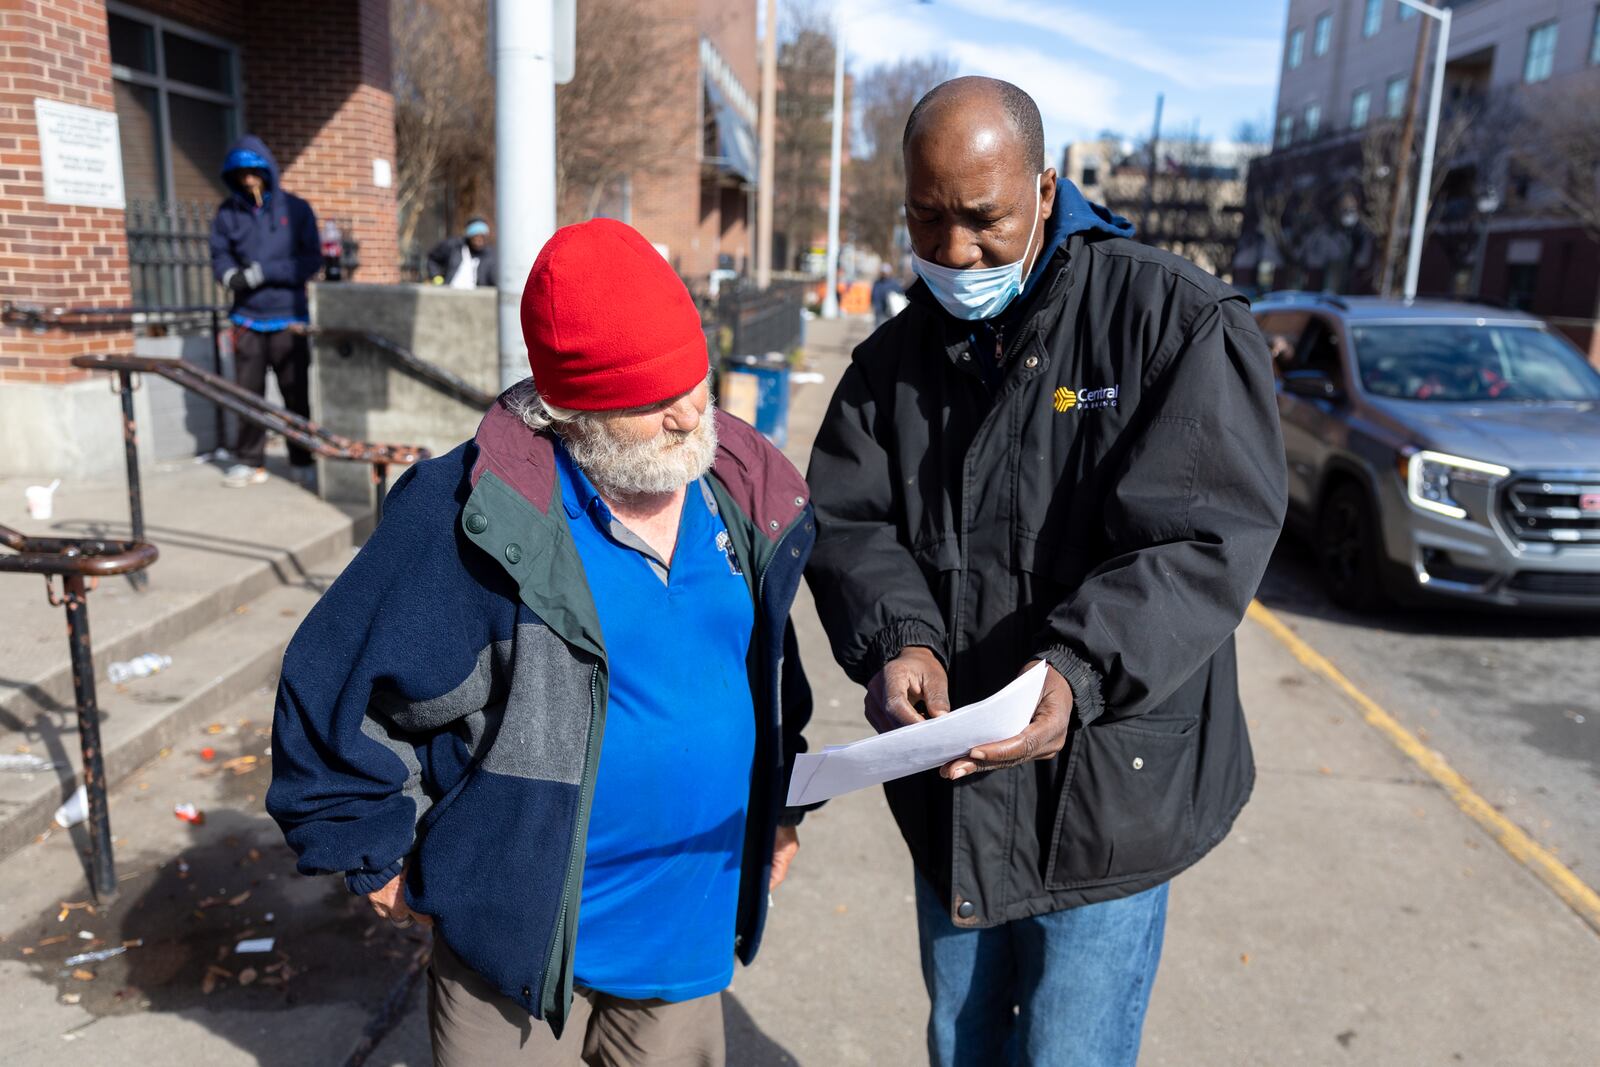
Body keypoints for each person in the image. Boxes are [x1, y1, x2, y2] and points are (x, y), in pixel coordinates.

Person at [805, 77, 1287, 1067]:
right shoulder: (891, 361)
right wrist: (898, 636)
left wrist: (1076, 668)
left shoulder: (1172, 321)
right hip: (953, 789)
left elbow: (1200, 538)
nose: (952, 251)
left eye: (981, 219)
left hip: (1108, 793)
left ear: (1044, 188)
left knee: (1072, 1048)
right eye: (925, 219)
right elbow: (849, 519)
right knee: (961, 1035)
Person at [267, 218, 816, 1065]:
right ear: (573, 411)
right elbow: (331, 682)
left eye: (692, 379)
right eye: (648, 399)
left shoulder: (745, 496)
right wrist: (363, 842)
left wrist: (779, 804)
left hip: (683, 938)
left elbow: (770, 677)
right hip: (515, 960)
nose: (684, 415)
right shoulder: (468, 512)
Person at [208, 135, 323, 489]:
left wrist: (264, 272)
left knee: (295, 394)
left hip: (289, 318)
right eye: (241, 175)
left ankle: (302, 458)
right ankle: (249, 461)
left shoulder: (296, 209)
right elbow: (220, 258)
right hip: (247, 319)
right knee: (248, 395)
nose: (248, 181)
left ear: (268, 172)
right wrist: (233, 277)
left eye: (255, 173)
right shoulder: (227, 214)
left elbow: (310, 260)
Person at [427, 217, 498, 288]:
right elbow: (433, 259)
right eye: (476, 236)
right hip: (450, 293)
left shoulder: (491, 255)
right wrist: (436, 277)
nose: (479, 239)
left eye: (482, 236)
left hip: (477, 296)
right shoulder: (453, 246)